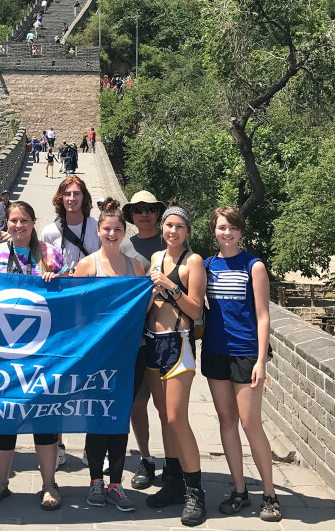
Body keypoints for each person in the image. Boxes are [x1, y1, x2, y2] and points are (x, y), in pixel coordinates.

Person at [0, 201, 67, 511]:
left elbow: (71, 297)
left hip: (42, 351)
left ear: (33, 222)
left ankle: (48, 484)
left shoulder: (50, 254)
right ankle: (1, 482)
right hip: (3, 351)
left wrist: (58, 281)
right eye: (13, 220)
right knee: (3, 416)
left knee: (44, 416)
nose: (18, 225)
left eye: (24, 220)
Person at [202, 207, 282, 522]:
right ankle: (239, 490)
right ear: (214, 231)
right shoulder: (207, 265)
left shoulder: (254, 265)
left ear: (241, 232)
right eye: (222, 228)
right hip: (215, 351)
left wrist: (261, 360)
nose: (227, 233)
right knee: (226, 422)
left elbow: (263, 316)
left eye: (233, 228)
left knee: (250, 424)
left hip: (246, 352)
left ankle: (270, 494)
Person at [74, 198, 145, 512]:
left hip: (129, 353)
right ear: (98, 231)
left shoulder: (135, 267)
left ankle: (115, 483)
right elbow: (75, 312)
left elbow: (141, 310)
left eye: (118, 229)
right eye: (107, 229)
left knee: (118, 417)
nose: (112, 233)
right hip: (98, 354)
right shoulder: (88, 265)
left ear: (124, 231)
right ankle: (95, 481)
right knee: (96, 415)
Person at [145, 206, 207, 527]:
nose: (172, 231)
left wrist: (169, 287)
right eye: (168, 225)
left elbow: (196, 309)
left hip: (179, 343)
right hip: (153, 342)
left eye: (179, 226)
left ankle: (195, 491)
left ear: (187, 231)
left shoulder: (193, 262)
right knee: (163, 419)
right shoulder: (156, 259)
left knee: (176, 418)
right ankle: (172, 481)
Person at [120, 191, 168, 490]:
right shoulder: (125, 246)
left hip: (167, 335)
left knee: (168, 408)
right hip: (136, 337)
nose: (144, 213)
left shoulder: (171, 241)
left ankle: (175, 462)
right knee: (138, 404)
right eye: (138, 209)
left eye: (150, 208)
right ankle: (146, 459)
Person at [40, 175, 100, 272]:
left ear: (83, 197)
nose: (72, 198)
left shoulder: (97, 227)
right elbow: (44, 267)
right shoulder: (48, 232)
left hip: (90, 284)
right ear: (61, 198)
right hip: (62, 286)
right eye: (67, 194)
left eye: (76, 193)